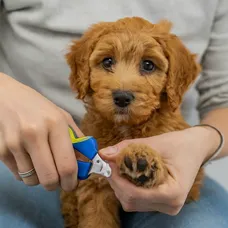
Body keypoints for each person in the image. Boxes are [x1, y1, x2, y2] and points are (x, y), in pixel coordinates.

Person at [0, 0, 228, 227]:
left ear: (175, 78)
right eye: (107, 62)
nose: (122, 87)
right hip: (28, 152)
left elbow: (223, 99)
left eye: (148, 65)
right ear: (83, 69)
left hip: (171, 185)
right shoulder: (94, 127)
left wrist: (204, 141)